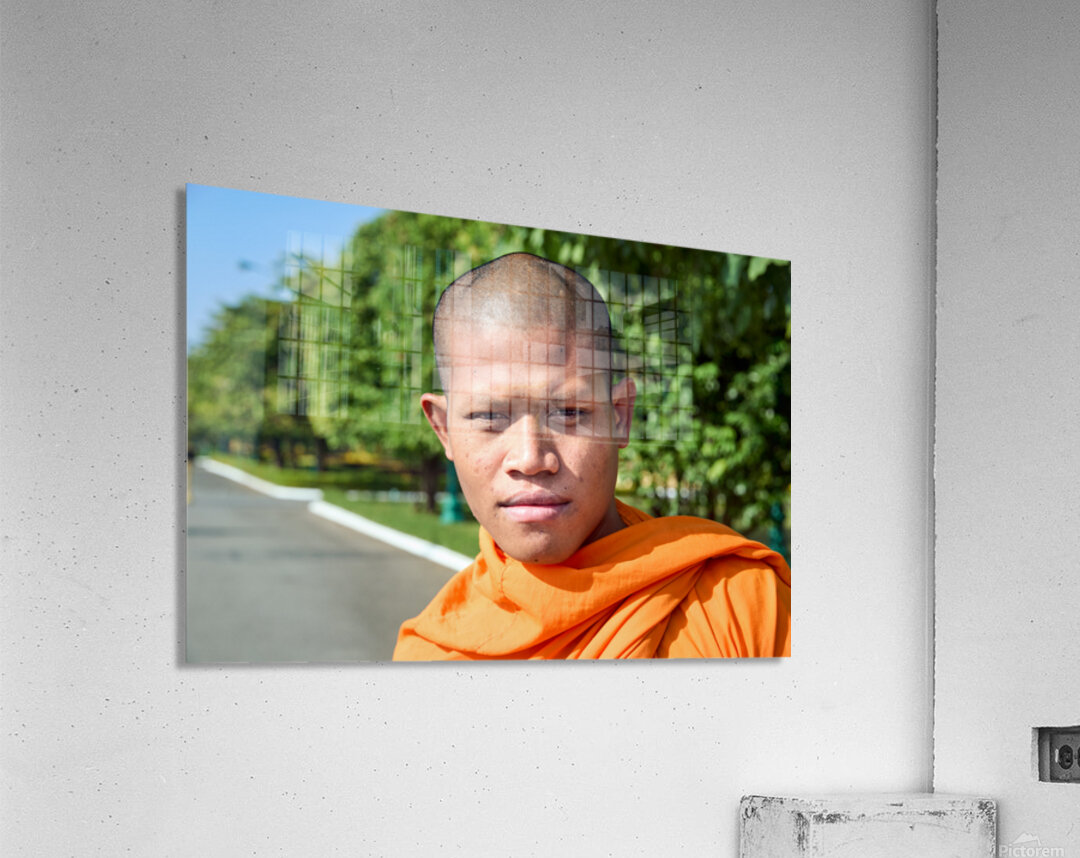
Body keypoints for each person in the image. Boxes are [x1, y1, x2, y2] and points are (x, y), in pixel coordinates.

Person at [392, 252, 790, 660]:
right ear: (444, 429)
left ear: (620, 417)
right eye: (489, 417)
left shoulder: (740, 603)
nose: (530, 458)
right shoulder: (430, 654)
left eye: (568, 413)